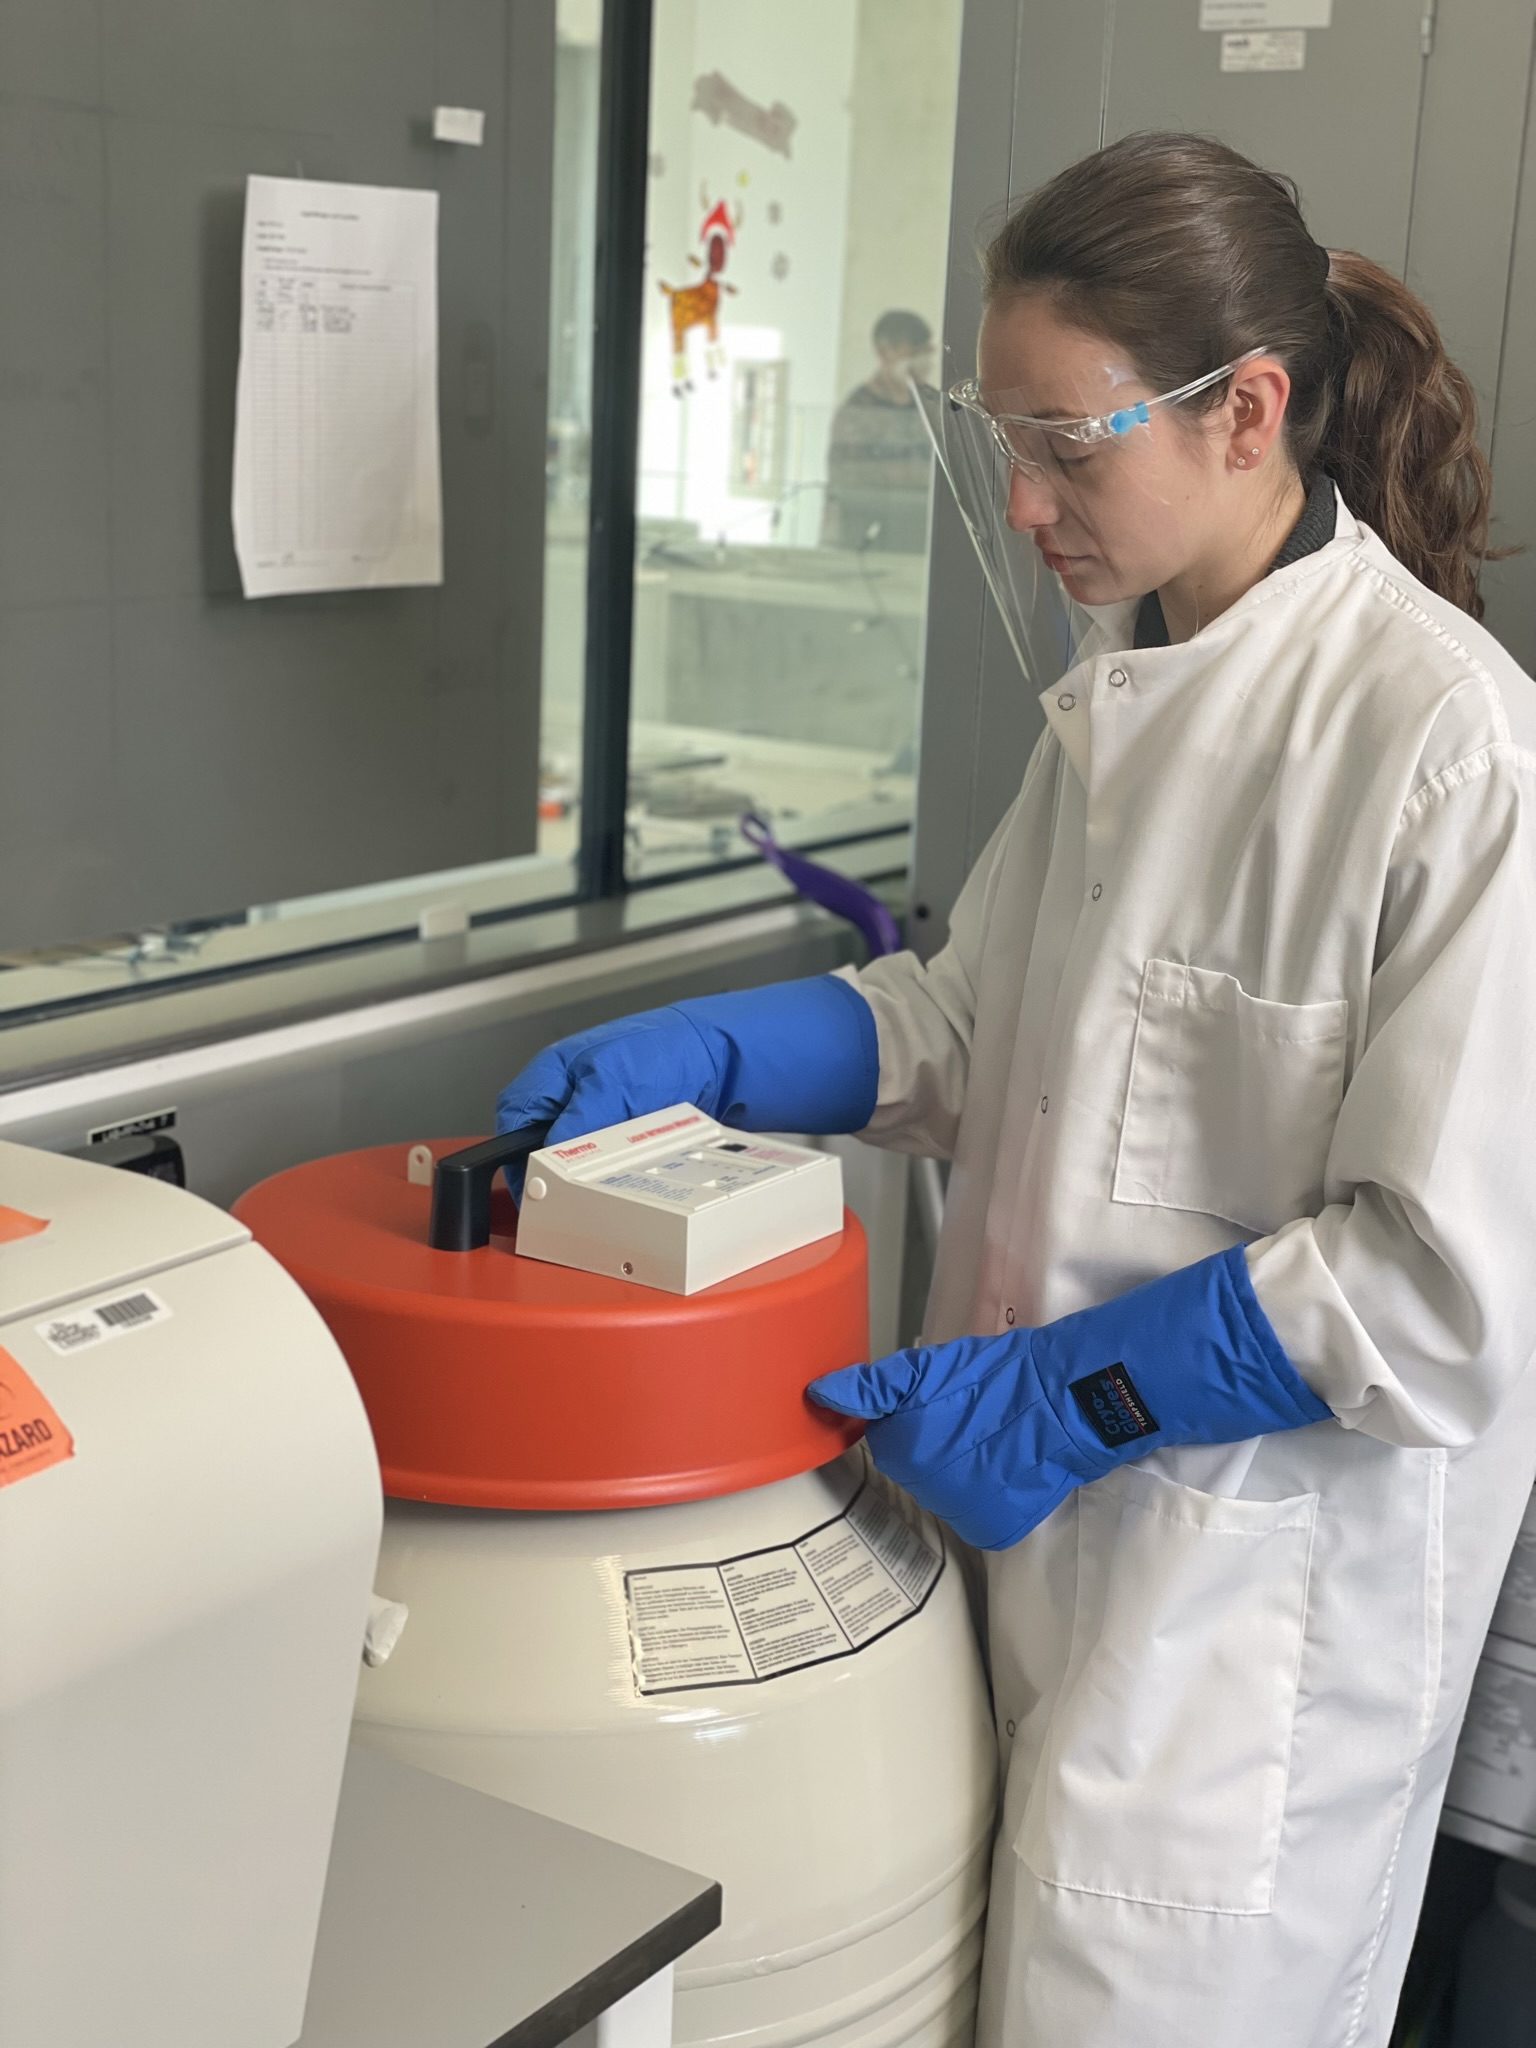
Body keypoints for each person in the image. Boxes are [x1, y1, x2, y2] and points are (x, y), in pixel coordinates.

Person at [495, 133, 1536, 2046]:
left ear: (1248, 412)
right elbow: (982, 1029)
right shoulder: (1122, 693)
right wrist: (733, 1053)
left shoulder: (1446, 749)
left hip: (1240, 1659)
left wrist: (1075, 1392)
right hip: (1019, 1571)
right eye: (1007, 433)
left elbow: (1437, 1286)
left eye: (1068, 443)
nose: (1022, 495)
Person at [822, 308, 939, 551]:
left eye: (927, 352)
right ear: (884, 352)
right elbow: (845, 483)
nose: (923, 362)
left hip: (922, 536)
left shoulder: (930, 404)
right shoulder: (857, 411)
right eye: (914, 353)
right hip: (870, 538)